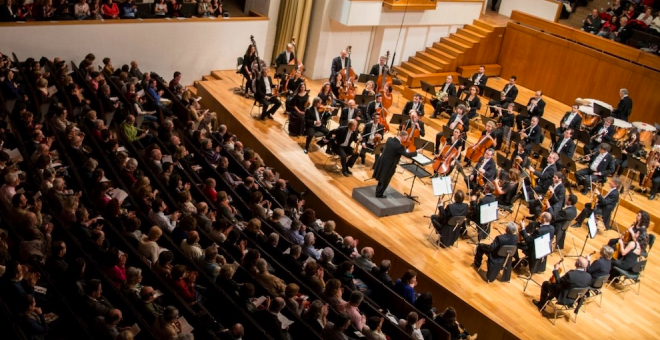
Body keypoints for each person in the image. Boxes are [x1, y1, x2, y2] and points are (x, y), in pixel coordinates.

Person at [372, 130, 417, 198]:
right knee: (386, 179)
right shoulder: (399, 146)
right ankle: (379, 194)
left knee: (381, 177)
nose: (405, 140)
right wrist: (417, 152)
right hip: (390, 164)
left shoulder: (389, 139)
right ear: (403, 137)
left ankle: (378, 191)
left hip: (383, 160)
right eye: (405, 138)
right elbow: (407, 155)